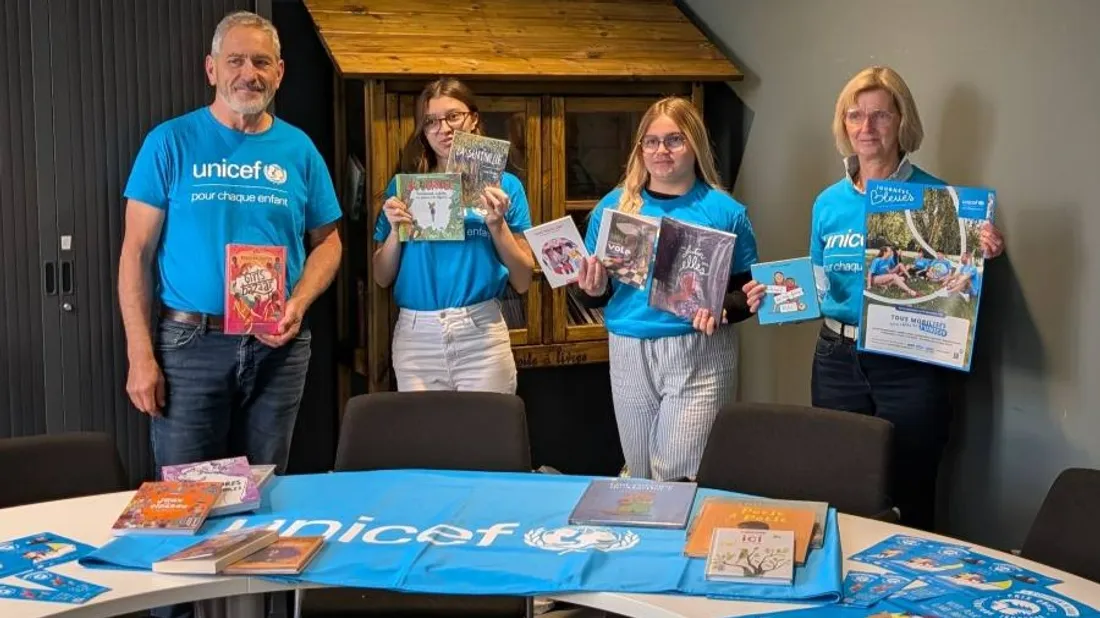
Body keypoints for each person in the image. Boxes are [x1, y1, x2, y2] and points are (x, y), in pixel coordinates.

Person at [743, 66, 1004, 531]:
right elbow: (821, 288)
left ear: (902, 123)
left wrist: (981, 251)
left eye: (880, 116)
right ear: (844, 124)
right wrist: (776, 294)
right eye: (855, 116)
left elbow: (949, 279)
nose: (866, 128)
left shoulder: (936, 199)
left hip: (909, 361)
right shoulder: (828, 203)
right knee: (838, 486)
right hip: (836, 359)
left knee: (911, 488)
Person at [118, 10, 342, 475]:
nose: (249, 74)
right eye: (235, 60)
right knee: (187, 497)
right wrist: (140, 356)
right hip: (189, 346)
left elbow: (329, 242)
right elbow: (135, 254)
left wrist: (298, 302)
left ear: (279, 73)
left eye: (261, 63)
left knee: (266, 491)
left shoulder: (299, 150)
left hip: (278, 347)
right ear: (212, 69)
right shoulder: (169, 142)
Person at [575, 96, 759, 481]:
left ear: (695, 145)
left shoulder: (725, 211)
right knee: (640, 472)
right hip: (628, 346)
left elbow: (748, 291)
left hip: (697, 350)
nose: (661, 151)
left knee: (677, 473)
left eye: (674, 140)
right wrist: (590, 287)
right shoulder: (616, 206)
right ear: (640, 149)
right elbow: (597, 291)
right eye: (651, 141)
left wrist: (723, 309)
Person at [372, 77, 534, 393]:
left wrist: (497, 225)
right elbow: (380, 276)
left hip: (481, 333)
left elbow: (523, 279)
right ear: (423, 129)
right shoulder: (404, 187)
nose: (443, 128)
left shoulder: (506, 187)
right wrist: (395, 231)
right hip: (417, 335)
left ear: (473, 119)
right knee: (425, 440)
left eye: (453, 116)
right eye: (431, 121)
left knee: (486, 439)